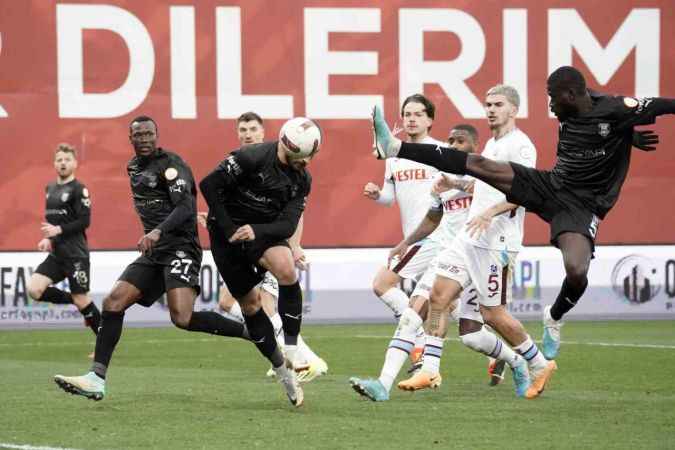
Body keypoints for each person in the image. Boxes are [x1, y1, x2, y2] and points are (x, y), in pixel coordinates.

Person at [371, 66, 674, 362]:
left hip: (582, 205)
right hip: (552, 185)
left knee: (577, 270)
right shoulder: (585, 108)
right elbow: (602, 125)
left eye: (553, 98)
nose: (550, 105)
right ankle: (395, 147)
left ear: (571, 94)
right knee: (479, 164)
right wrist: (626, 135)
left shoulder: (616, 107)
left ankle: (554, 317)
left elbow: (659, 107)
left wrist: (625, 134)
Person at [54, 116, 248, 401]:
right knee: (113, 302)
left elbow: (186, 206)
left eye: (149, 134)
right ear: (130, 138)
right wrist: (153, 237)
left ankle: (248, 331)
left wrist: (157, 231)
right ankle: (96, 378)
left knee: (182, 317)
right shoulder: (132, 167)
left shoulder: (172, 165)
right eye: (138, 135)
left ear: (157, 136)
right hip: (154, 252)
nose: (144, 139)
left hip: (181, 247)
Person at [396, 85, 553, 399]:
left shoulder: (520, 145)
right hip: (469, 237)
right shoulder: (493, 144)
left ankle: (538, 362)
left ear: (513, 109)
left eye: (498, 104)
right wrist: (454, 182)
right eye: (487, 104)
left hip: (497, 242)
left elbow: (528, 192)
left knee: (493, 313)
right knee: (438, 296)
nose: (491, 109)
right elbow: (483, 184)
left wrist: (491, 212)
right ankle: (429, 369)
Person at [199, 117, 321, 407]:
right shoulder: (250, 157)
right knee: (250, 305)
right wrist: (228, 229)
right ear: (285, 148)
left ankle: (291, 350)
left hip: (262, 232)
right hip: (226, 236)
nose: (305, 163)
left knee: (287, 269)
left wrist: (258, 231)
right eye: (299, 158)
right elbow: (208, 185)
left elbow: (289, 223)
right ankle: (283, 373)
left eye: (309, 158)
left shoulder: (302, 179)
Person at [350, 124, 476, 401]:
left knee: (475, 331)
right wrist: (405, 243)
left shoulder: (480, 172)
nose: (453, 146)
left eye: (460, 142)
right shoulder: (441, 182)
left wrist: (453, 182)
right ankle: (386, 383)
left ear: (473, 147)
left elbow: (488, 190)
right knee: (419, 315)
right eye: (451, 141)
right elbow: (433, 218)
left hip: (474, 256)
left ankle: (523, 359)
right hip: (442, 252)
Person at [362, 94, 448, 364]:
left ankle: (418, 343)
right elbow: (390, 198)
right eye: (407, 114)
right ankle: (503, 354)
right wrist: (377, 194)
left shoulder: (441, 151)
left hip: (436, 237)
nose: (411, 119)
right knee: (453, 306)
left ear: (430, 119)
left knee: (382, 283)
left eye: (418, 114)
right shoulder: (394, 156)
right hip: (414, 238)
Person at [27, 143, 101, 338]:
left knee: (82, 299)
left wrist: (58, 230)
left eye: (67, 159)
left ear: (75, 163)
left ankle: (106, 340)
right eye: (59, 159)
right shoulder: (50, 188)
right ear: (54, 163)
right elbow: (53, 220)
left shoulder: (79, 189)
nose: (63, 163)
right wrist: (48, 239)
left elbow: (85, 221)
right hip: (57, 254)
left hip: (76, 255)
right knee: (34, 290)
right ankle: (77, 301)